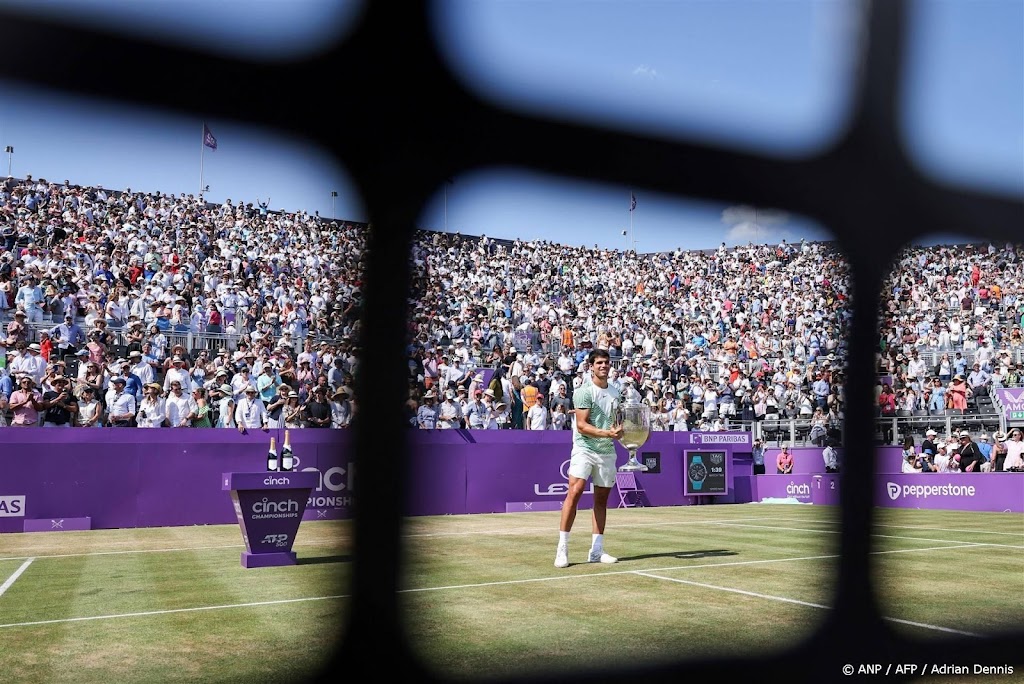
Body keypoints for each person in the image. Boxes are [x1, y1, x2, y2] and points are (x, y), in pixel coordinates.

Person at [554, 349, 624, 568]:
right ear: (591, 366)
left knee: (601, 501)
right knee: (574, 492)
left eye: (607, 362)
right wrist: (608, 433)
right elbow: (582, 426)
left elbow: (615, 422)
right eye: (600, 362)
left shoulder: (616, 392)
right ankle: (562, 548)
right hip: (584, 449)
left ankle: (596, 550)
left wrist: (625, 432)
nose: (604, 366)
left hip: (607, 451)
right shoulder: (583, 392)